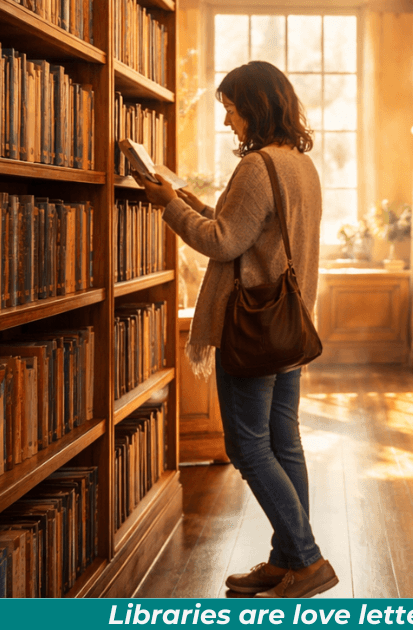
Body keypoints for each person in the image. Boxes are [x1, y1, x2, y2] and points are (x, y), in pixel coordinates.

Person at [133, 60, 333, 599]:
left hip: (254, 329)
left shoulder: (257, 166)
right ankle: (288, 558)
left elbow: (222, 243)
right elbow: (251, 231)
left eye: (231, 109)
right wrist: (189, 200)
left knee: (246, 448)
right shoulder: (300, 164)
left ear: (255, 106)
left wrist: (168, 208)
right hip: (290, 325)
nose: (228, 122)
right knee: (283, 442)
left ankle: (307, 559)